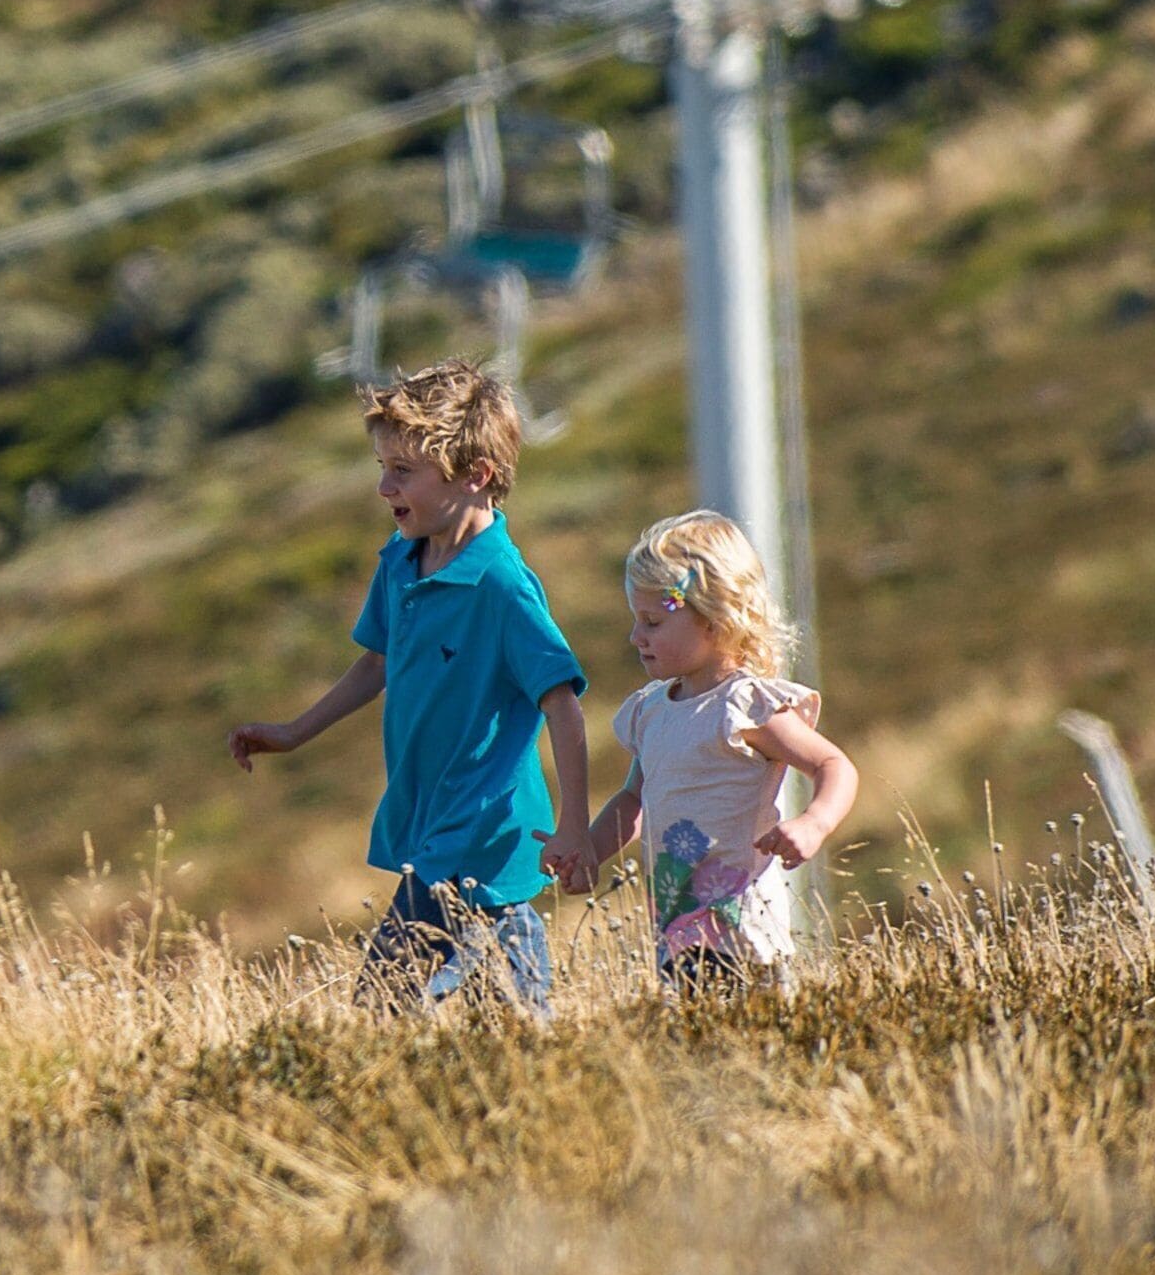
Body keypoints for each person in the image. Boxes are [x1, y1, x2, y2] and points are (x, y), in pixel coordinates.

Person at [227, 358, 586, 1015]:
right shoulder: (401, 560)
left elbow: (561, 704)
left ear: (476, 476)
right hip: (432, 825)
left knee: (385, 1004)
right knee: (496, 1020)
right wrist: (293, 733)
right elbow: (377, 664)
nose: (383, 486)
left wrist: (575, 825)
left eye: (403, 470)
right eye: (382, 466)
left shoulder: (503, 586)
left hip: (481, 833)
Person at [549, 510, 859, 988]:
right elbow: (633, 800)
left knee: (755, 1028)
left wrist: (814, 823)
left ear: (715, 621)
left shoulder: (746, 707)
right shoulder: (651, 711)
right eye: (636, 620)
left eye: (652, 622)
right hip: (676, 926)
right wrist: (592, 849)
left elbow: (832, 764)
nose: (636, 637)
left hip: (741, 930)